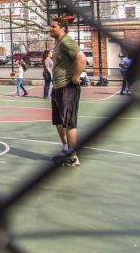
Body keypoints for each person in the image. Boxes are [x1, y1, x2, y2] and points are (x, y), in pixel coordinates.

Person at [48, 17, 87, 167]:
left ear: (62, 28)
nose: (50, 29)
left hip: (67, 87)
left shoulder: (66, 41)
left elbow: (81, 59)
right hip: (57, 87)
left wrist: (76, 77)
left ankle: (73, 156)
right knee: (58, 121)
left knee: (69, 122)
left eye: (53, 26)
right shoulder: (58, 42)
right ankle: (66, 149)